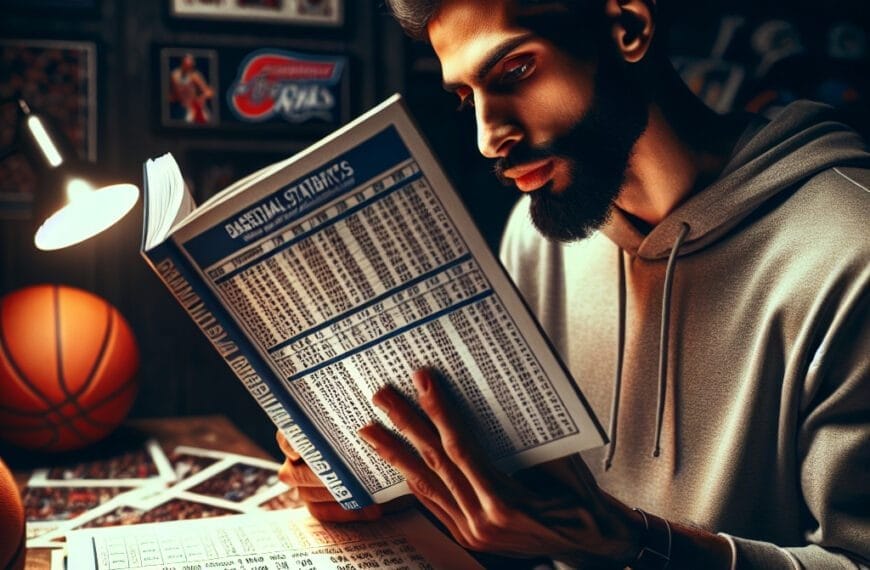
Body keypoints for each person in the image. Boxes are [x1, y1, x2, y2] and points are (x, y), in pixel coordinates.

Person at [277, 0, 870, 567]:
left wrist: (633, 545)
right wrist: (391, 485)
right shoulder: (539, 235)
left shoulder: (850, 251)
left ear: (628, 27)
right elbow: (528, 523)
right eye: (466, 96)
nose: (489, 137)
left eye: (515, 68)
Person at [169, 53, 214, 124]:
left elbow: (209, 92)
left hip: (194, 108)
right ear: (182, 62)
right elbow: (173, 94)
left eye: (191, 64)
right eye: (187, 63)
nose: (190, 66)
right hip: (179, 107)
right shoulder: (174, 75)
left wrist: (201, 98)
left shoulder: (195, 76)